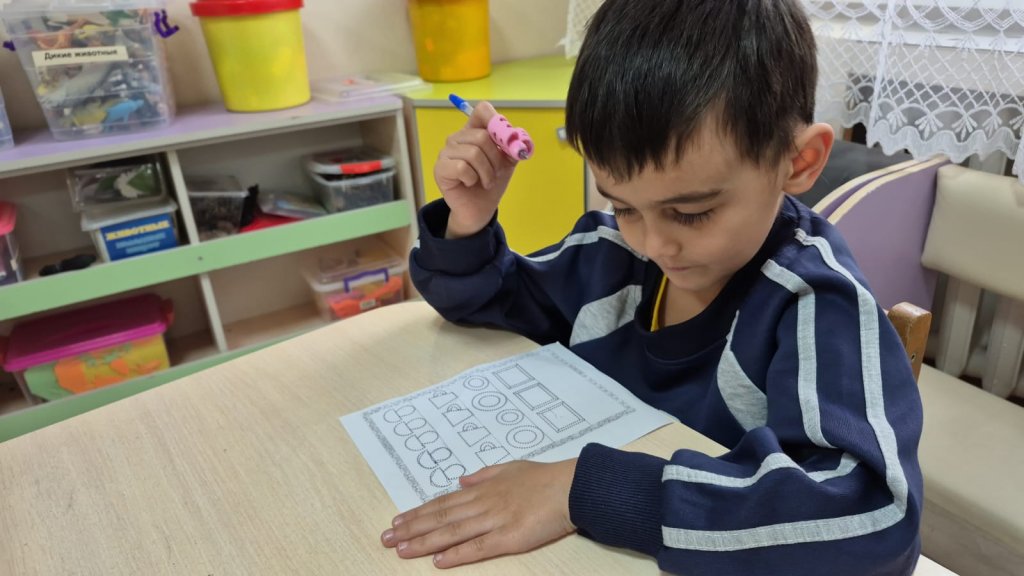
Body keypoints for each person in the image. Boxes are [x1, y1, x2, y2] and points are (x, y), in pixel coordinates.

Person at [380, 1, 924, 574]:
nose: (655, 245)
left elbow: (874, 518)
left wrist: (585, 490)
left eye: (691, 212)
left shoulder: (815, 303)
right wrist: (468, 222)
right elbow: (487, 304)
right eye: (623, 205)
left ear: (799, 161)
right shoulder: (611, 250)